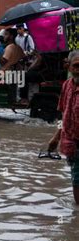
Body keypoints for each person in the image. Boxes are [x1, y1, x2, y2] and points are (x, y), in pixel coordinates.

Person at [48, 50, 79, 205]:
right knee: (76, 180)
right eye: (76, 66)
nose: (78, 69)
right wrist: (56, 137)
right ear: (69, 67)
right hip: (72, 143)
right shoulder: (67, 86)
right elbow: (63, 115)